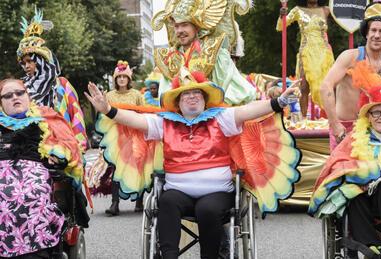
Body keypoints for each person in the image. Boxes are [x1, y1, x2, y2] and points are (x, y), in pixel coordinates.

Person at [86, 67, 302, 258]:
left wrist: (278, 102)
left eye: (196, 93)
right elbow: (135, 120)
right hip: (178, 192)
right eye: (186, 94)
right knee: (167, 202)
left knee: (207, 209)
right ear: (178, 102)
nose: (191, 97)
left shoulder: (221, 118)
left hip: (217, 193)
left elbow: (247, 111)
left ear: (204, 99)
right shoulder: (165, 122)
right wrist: (107, 110)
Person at [309, 85, 381, 257]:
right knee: (353, 196)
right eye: (376, 113)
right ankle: (372, 245)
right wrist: (375, 172)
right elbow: (339, 165)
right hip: (364, 199)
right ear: (368, 117)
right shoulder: (354, 139)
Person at [0, 79, 85, 258]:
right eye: (8, 95)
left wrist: (59, 156)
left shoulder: (47, 118)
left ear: (28, 96)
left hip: (38, 178)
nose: (14, 97)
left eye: (19, 93)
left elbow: (69, 145)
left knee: (34, 194)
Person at [320, 2, 381, 150]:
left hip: (374, 133)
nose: (376, 35)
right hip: (344, 130)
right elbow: (325, 87)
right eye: (373, 30)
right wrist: (335, 125)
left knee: (373, 174)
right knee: (342, 172)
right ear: (366, 33)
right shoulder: (350, 57)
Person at [151, 0, 256, 105]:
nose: (179, 31)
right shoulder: (170, 59)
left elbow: (241, 92)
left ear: (196, 26)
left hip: (215, 116)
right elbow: (165, 98)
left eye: (185, 25)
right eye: (176, 26)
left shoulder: (215, 53)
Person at [17, 8, 88, 151]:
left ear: (41, 60)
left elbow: (76, 115)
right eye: (23, 63)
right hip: (32, 147)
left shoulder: (61, 84)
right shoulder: (21, 87)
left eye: (30, 61)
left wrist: (80, 144)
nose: (26, 66)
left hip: (63, 146)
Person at [277, 0, 334, 117]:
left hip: (323, 54)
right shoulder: (297, 10)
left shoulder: (327, 10)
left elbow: (346, 18)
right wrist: (281, 15)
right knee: (304, 87)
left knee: (327, 85)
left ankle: (331, 117)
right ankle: (304, 119)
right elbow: (280, 27)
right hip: (306, 52)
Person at [102, 60, 145, 215]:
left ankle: (139, 202)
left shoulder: (136, 94)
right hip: (116, 137)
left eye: (124, 76)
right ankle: (115, 204)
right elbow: (104, 115)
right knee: (115, 168)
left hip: (134, 135)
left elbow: (144, 113)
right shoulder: (109, 95)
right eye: (118, 77)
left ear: (129, 79)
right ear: (115, 79)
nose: (121, 79)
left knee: (138, 167)